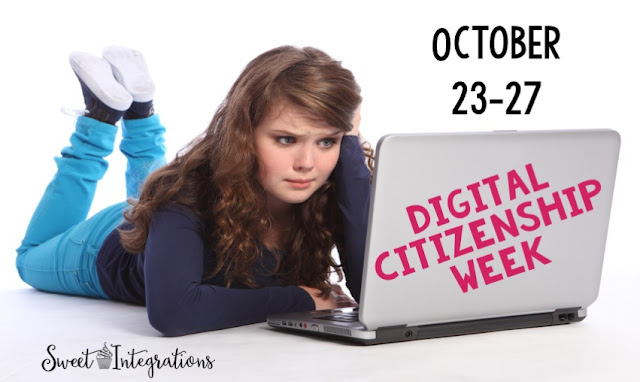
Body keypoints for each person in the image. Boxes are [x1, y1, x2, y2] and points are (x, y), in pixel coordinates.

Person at [15, 45, 374, 336]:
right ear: (244, 133)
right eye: (286, 139)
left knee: (152, 193)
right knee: (28, 260)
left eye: (327, 141)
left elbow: (373, 290)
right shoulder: (185, 196)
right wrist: (297, 298)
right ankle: (99, 118)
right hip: (96, 247)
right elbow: (175, 313)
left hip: (158, 222)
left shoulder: (326, 185)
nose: (307, 163)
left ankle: (141, 111)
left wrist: (352, 157)